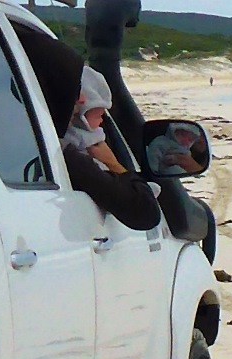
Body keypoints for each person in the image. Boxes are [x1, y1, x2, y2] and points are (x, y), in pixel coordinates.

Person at [14, 28, 160, 231]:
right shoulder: (62, 153)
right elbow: (145, 213)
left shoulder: (15, 138)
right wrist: (113, 163)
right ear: (50, 88)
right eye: (71, 86)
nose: (82, 100)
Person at [62, 66, 127, 173]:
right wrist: (114, 165)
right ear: (82, 117)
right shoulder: (77, 137)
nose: (102, 121)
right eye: (98, 116)